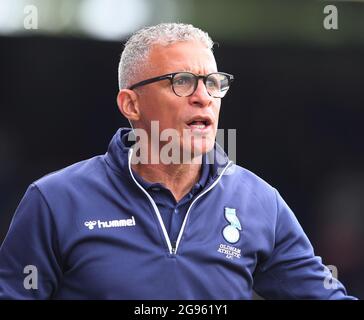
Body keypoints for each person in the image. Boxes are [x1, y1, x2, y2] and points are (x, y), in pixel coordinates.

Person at [0, 23, 356, 300]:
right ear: (131, 105)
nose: (203, 97)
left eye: (213, 83)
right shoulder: (55, 200)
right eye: (182, 82)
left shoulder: (260, 202)